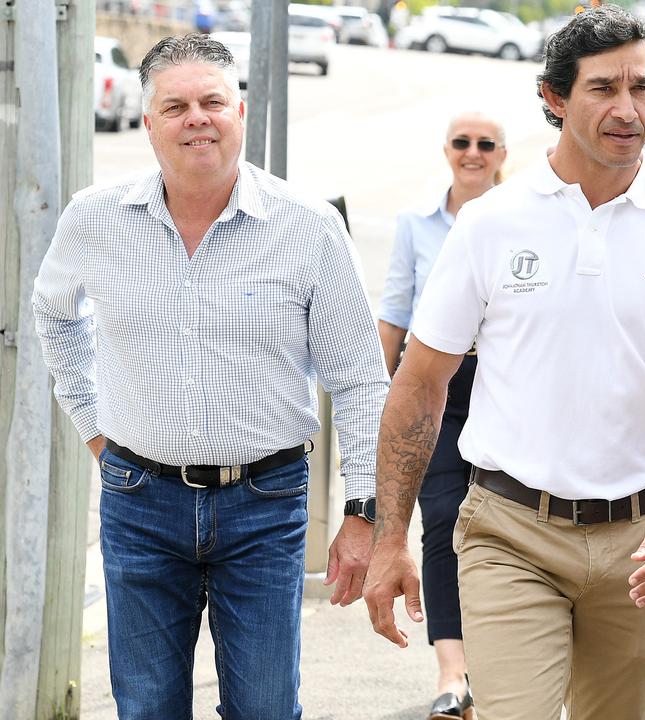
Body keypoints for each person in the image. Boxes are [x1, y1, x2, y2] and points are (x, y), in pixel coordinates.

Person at [362, 7, 645, 720]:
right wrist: (390, 539)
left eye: (643, 87)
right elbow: (419, 386)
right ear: (554, 98)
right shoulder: (491, 222)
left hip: (642, 540)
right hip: (510, 533)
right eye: (603, 88)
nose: (627, 109)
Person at [31, 34, 388, 719]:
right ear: (147, 123)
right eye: (176, 105)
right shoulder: (95, 218)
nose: (196, 117)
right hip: (138, 500)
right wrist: (92, 427)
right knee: (145, 708)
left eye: (211, 101)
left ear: (240, 112)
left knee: (265, 709)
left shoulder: (308, 228)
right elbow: (53, 316)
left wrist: (362, 512)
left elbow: (360, 378)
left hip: (265, 504)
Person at [375, 111, 507, 719]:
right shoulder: (415, 224)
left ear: (503, 153)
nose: (473, 153)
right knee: (443, 518)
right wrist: (384, 397)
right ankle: (453, 672)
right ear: (446, 151)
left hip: (507, 390)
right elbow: (396, 313)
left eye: (485, 144)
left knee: (510, 524)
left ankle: (502, 661)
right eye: (462, 142)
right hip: (437, 389)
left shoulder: (522, 218)